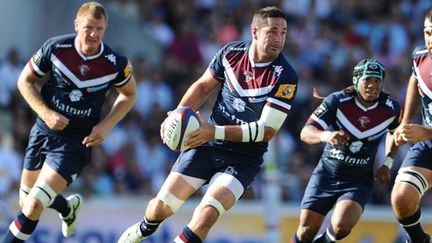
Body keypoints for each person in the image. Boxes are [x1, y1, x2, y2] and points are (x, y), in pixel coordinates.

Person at [118, 6, 298, 243]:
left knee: (206, 214)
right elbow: (203, 86)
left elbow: (266, 130)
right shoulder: (231, 53)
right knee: (161, 208)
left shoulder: (285, 76)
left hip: (243, 159)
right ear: (255, 32)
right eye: (272, 31)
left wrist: (213, 131)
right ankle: (144, 228)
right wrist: (178, 113)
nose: (278, 38)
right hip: (207, 143)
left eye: (283, 33)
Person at [2, 2, 137, 242]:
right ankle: (67, 208)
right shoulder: (55, 48)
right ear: (76, 25)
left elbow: (129, 94)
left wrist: (106, 125)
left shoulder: (114, 63)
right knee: (26, 201)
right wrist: (46, 114)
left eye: (100, 29)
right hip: (43, 132)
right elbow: (25, 81)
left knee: (33, 205)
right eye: (89, 27)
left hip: (76, 142)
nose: (94, 34)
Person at [292, 59, 401, 243]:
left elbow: (394, 134)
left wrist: (388, 162)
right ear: (356, 80)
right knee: (305, 233)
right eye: (368, 80)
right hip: (326, 174)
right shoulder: (337, 101)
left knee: (342, 225)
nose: (373, 86)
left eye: (377, 81)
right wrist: (326, 136)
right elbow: (306, 132)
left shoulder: (391, 109)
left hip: (358, 180)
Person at [391, 9, 432, 243]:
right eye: (428, 32)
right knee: (401, 198)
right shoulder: (420, 56)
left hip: (427, 134)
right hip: (428, 145)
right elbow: (415, 78)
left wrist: (425, 131)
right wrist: (406, 123)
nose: (431, 39)